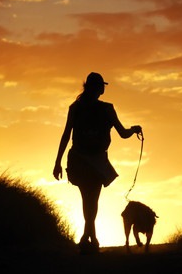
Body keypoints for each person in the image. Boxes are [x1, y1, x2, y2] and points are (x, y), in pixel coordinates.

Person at [53, 72, 143, 254]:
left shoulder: (76, 107)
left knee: (88, 198)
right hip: (94, 161)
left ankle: (89, 237)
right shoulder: (107, 109)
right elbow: (123, 134)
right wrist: (134, 130)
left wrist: (57, 162)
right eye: (102, 86)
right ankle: (90, 238)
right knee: (92, 199)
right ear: (99, 88)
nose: (103, 89)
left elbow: (65, 136)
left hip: (78, 159)